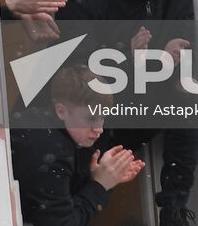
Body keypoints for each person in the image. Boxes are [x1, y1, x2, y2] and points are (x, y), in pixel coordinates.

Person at [58, 0, 198, 226]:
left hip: (145, 97)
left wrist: (160, 62)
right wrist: (130, 60)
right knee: (83, 181)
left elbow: (185, 56)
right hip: (95, 108)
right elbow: (74, 72)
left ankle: (174, 211)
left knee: (189, 101)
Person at [10, 66, 144, 226]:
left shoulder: (40, 127)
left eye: (102, 117)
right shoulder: (51, 151)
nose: (99, 128)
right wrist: (100, 185)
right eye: (91, 118)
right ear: (61, 111)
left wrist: (95, 178)